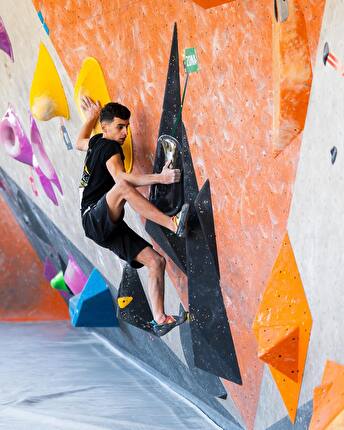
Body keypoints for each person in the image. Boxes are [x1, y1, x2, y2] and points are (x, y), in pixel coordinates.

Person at [76, 96, 189, 337]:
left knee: (156, 262)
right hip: (94, 217)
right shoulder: (108, 146)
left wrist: (90, 120)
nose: (125, 132)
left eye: (127, 126)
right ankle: (172, 223)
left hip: (104, 226)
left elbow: (78, 142)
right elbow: (122, 179)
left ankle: (160, 319)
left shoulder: (97, 140)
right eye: (120, 126)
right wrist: (160, 177)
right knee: (123, 189)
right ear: (106, 127)